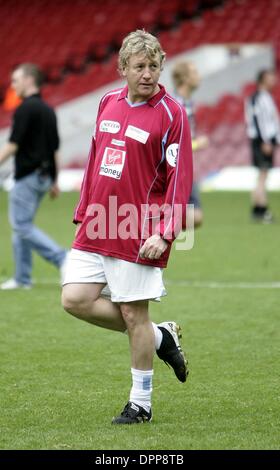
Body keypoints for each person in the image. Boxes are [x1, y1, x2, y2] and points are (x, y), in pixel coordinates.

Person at [61, 30, 193, 425]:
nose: (148, 74)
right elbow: (95, 158)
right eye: (140, 67)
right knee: (75, 299)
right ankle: (161, 337)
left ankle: (141, 403)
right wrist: (84, 209)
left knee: (134, 316)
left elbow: (179, 179)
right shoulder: (106, 102)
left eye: (154, 66)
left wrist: (165, 232)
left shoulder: (172, 113)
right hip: (97, 222)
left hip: (139, 228)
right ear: (123, 69)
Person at [0, 63, 68, 289]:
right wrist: (55, 179)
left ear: (29, 79)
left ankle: (62, 258)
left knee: (21, 225)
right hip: (44, 177)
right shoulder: (48, 110)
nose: (13, 85)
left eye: (16, 80)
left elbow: (12, 146)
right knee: (22, 225)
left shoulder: (25, 109)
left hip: (27, 175)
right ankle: (22, 278)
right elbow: (55, 148)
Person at [172, 61, 208, 228]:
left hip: (186, 168)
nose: (199, 76)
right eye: (195, 72)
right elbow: (173, 144)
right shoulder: (175, 106)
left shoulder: (187, 103)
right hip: (175, 170)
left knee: (196, 217)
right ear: (185, 78)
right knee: (194, 216)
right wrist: (196, 144)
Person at [245, 68, 280, 223]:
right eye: (271, 77)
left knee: (263, 174)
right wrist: (265, 140)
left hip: (266, 140)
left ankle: (257, 209)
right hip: (261, 141)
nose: (274, 79)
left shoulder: (266, 97)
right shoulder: (256, 98)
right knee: (262, 174)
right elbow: (258, 122)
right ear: (263, 79)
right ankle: (262, 209)